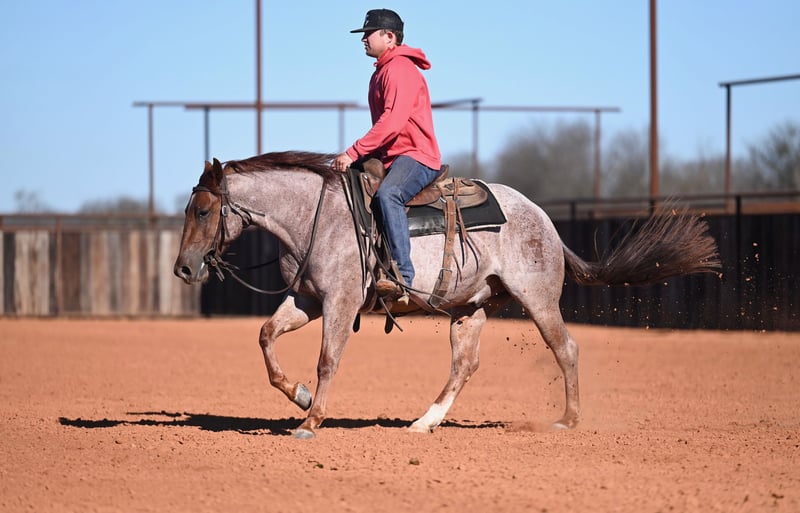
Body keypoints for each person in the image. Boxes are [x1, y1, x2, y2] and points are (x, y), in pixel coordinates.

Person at [332, 8, 442, 300]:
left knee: (389, 195)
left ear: (389, 37)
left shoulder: (399, 69)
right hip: (392, 157)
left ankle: (402, 277)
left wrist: (354, 152)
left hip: (417, 156)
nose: (364, 39)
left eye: (369, 33)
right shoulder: (381, 72)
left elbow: (392, 121)